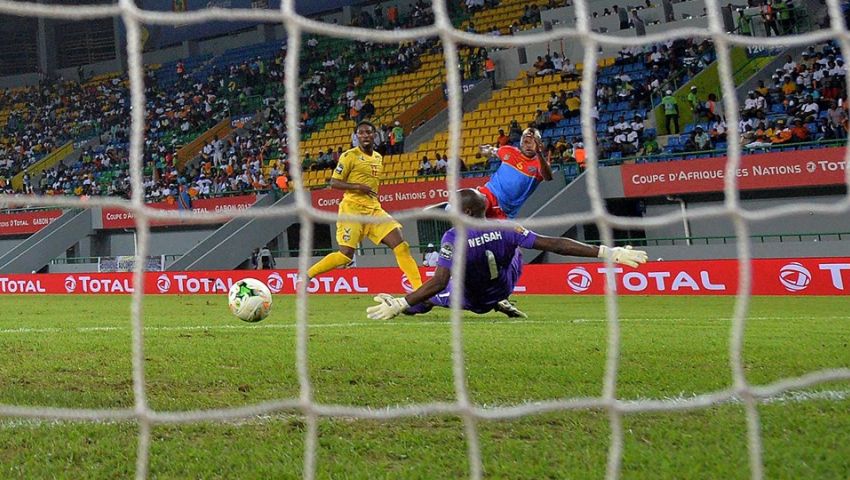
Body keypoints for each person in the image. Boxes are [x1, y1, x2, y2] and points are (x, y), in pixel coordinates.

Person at [366, 189, 648, 320]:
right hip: (505, 282)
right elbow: (556, 244)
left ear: (466, 213)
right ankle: (501, 298)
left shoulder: (453, 236)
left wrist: (403, 302)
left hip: (474, 300)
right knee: (519, 245)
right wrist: (608, 252)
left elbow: (438, 283)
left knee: (429, 294)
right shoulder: (506, 227)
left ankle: (400, 307)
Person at [306, 121, 423, 290]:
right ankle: (308, 274)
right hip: (351, 209)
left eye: (368, 132)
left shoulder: (378, 157)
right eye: (361, 133)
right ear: (356, 136)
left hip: (374, 210)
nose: (365, 135)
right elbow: (334, 182)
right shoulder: (349, 156)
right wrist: (357, 187)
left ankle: (420, 291)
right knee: (346, 255)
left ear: (374, 135)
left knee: (401, 245)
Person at [477, 127, 553, 219]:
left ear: (539, 144)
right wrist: (485, 150)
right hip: (489, 193)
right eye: (526, 141)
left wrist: (539, 153)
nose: (529, 145)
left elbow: (548, 177)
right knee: (473, 205)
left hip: (504, 212)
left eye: (533, 142)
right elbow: (492, 151)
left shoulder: (540, 163)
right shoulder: (508, 151)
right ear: (521, 142)